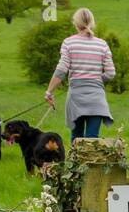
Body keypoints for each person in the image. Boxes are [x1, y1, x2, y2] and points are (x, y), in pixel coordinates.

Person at [45, 7, 115, 142]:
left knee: (76, 138)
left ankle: (75, 164)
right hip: (96, 99)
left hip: (76, 98)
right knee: (92, 141)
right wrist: (96, 81)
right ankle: (90, 164)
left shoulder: (69, 43)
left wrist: (49, 92)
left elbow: (61, 70)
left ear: (76, 23)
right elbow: (111, 73)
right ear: (92, 23)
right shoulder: (102, 45)